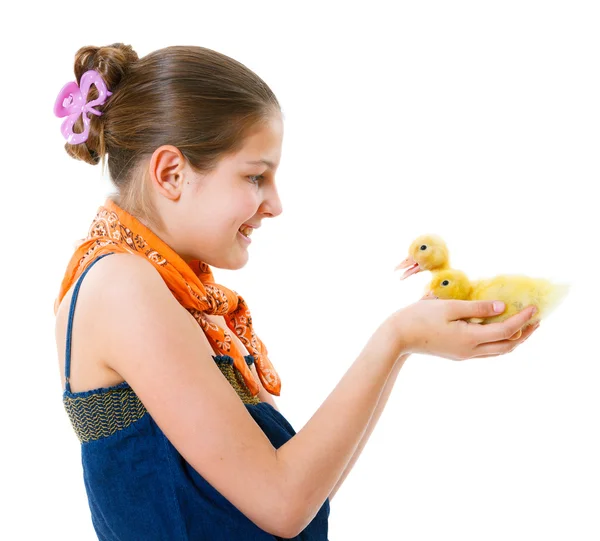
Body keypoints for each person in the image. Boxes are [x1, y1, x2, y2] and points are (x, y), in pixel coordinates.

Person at [53, 43, 540, 540]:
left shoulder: (163, 289)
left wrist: (403, 346)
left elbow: (303, 499)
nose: (275, 204)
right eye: (255, 176)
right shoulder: (122, 287)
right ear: (171, 174)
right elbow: (282, 504)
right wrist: (394, 338)